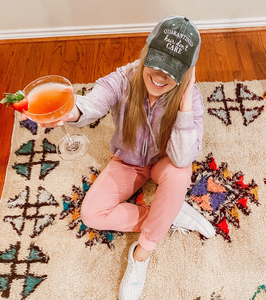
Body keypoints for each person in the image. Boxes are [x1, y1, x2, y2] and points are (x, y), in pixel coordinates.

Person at [30, 15, 216, 300]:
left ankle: (140, 255)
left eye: (172, 71)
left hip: (164, 162)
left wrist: (186, 104)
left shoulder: (192, 100)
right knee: (92, 214)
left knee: (180, 173)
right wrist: (71, 111)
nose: (160, 75)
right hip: (128, 161)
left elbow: (181, 158)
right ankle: (168, 213)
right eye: (155, 62)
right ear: (146, 52)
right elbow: (91, 104)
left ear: (186, 73)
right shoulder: (123, 79)